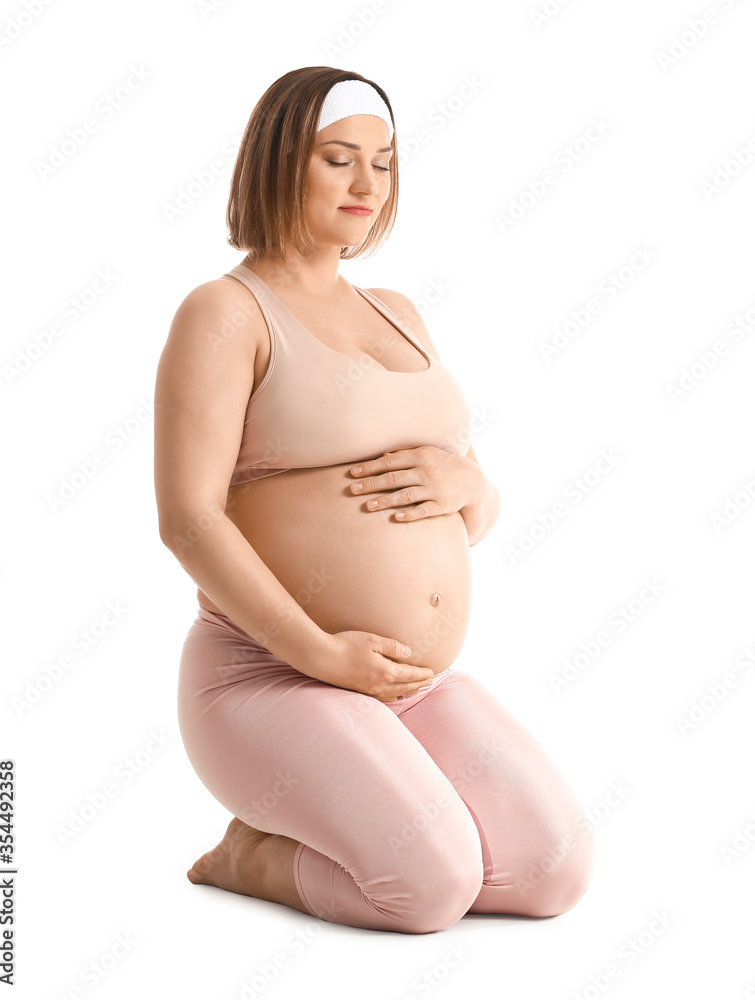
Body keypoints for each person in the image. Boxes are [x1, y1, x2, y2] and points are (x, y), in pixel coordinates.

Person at [153, 67, 595, 934]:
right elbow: (189, 519)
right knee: (429, 889)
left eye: (384, 163)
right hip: (267, 677)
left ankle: (378, 812)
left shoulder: (397, 311)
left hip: (404, 683)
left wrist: (477, 487)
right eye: (338, 158)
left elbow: (466, 507)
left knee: (553, 873)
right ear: (281, 163)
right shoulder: (226, 313)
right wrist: (317, 651)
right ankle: (253, 855)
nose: (366, 184)